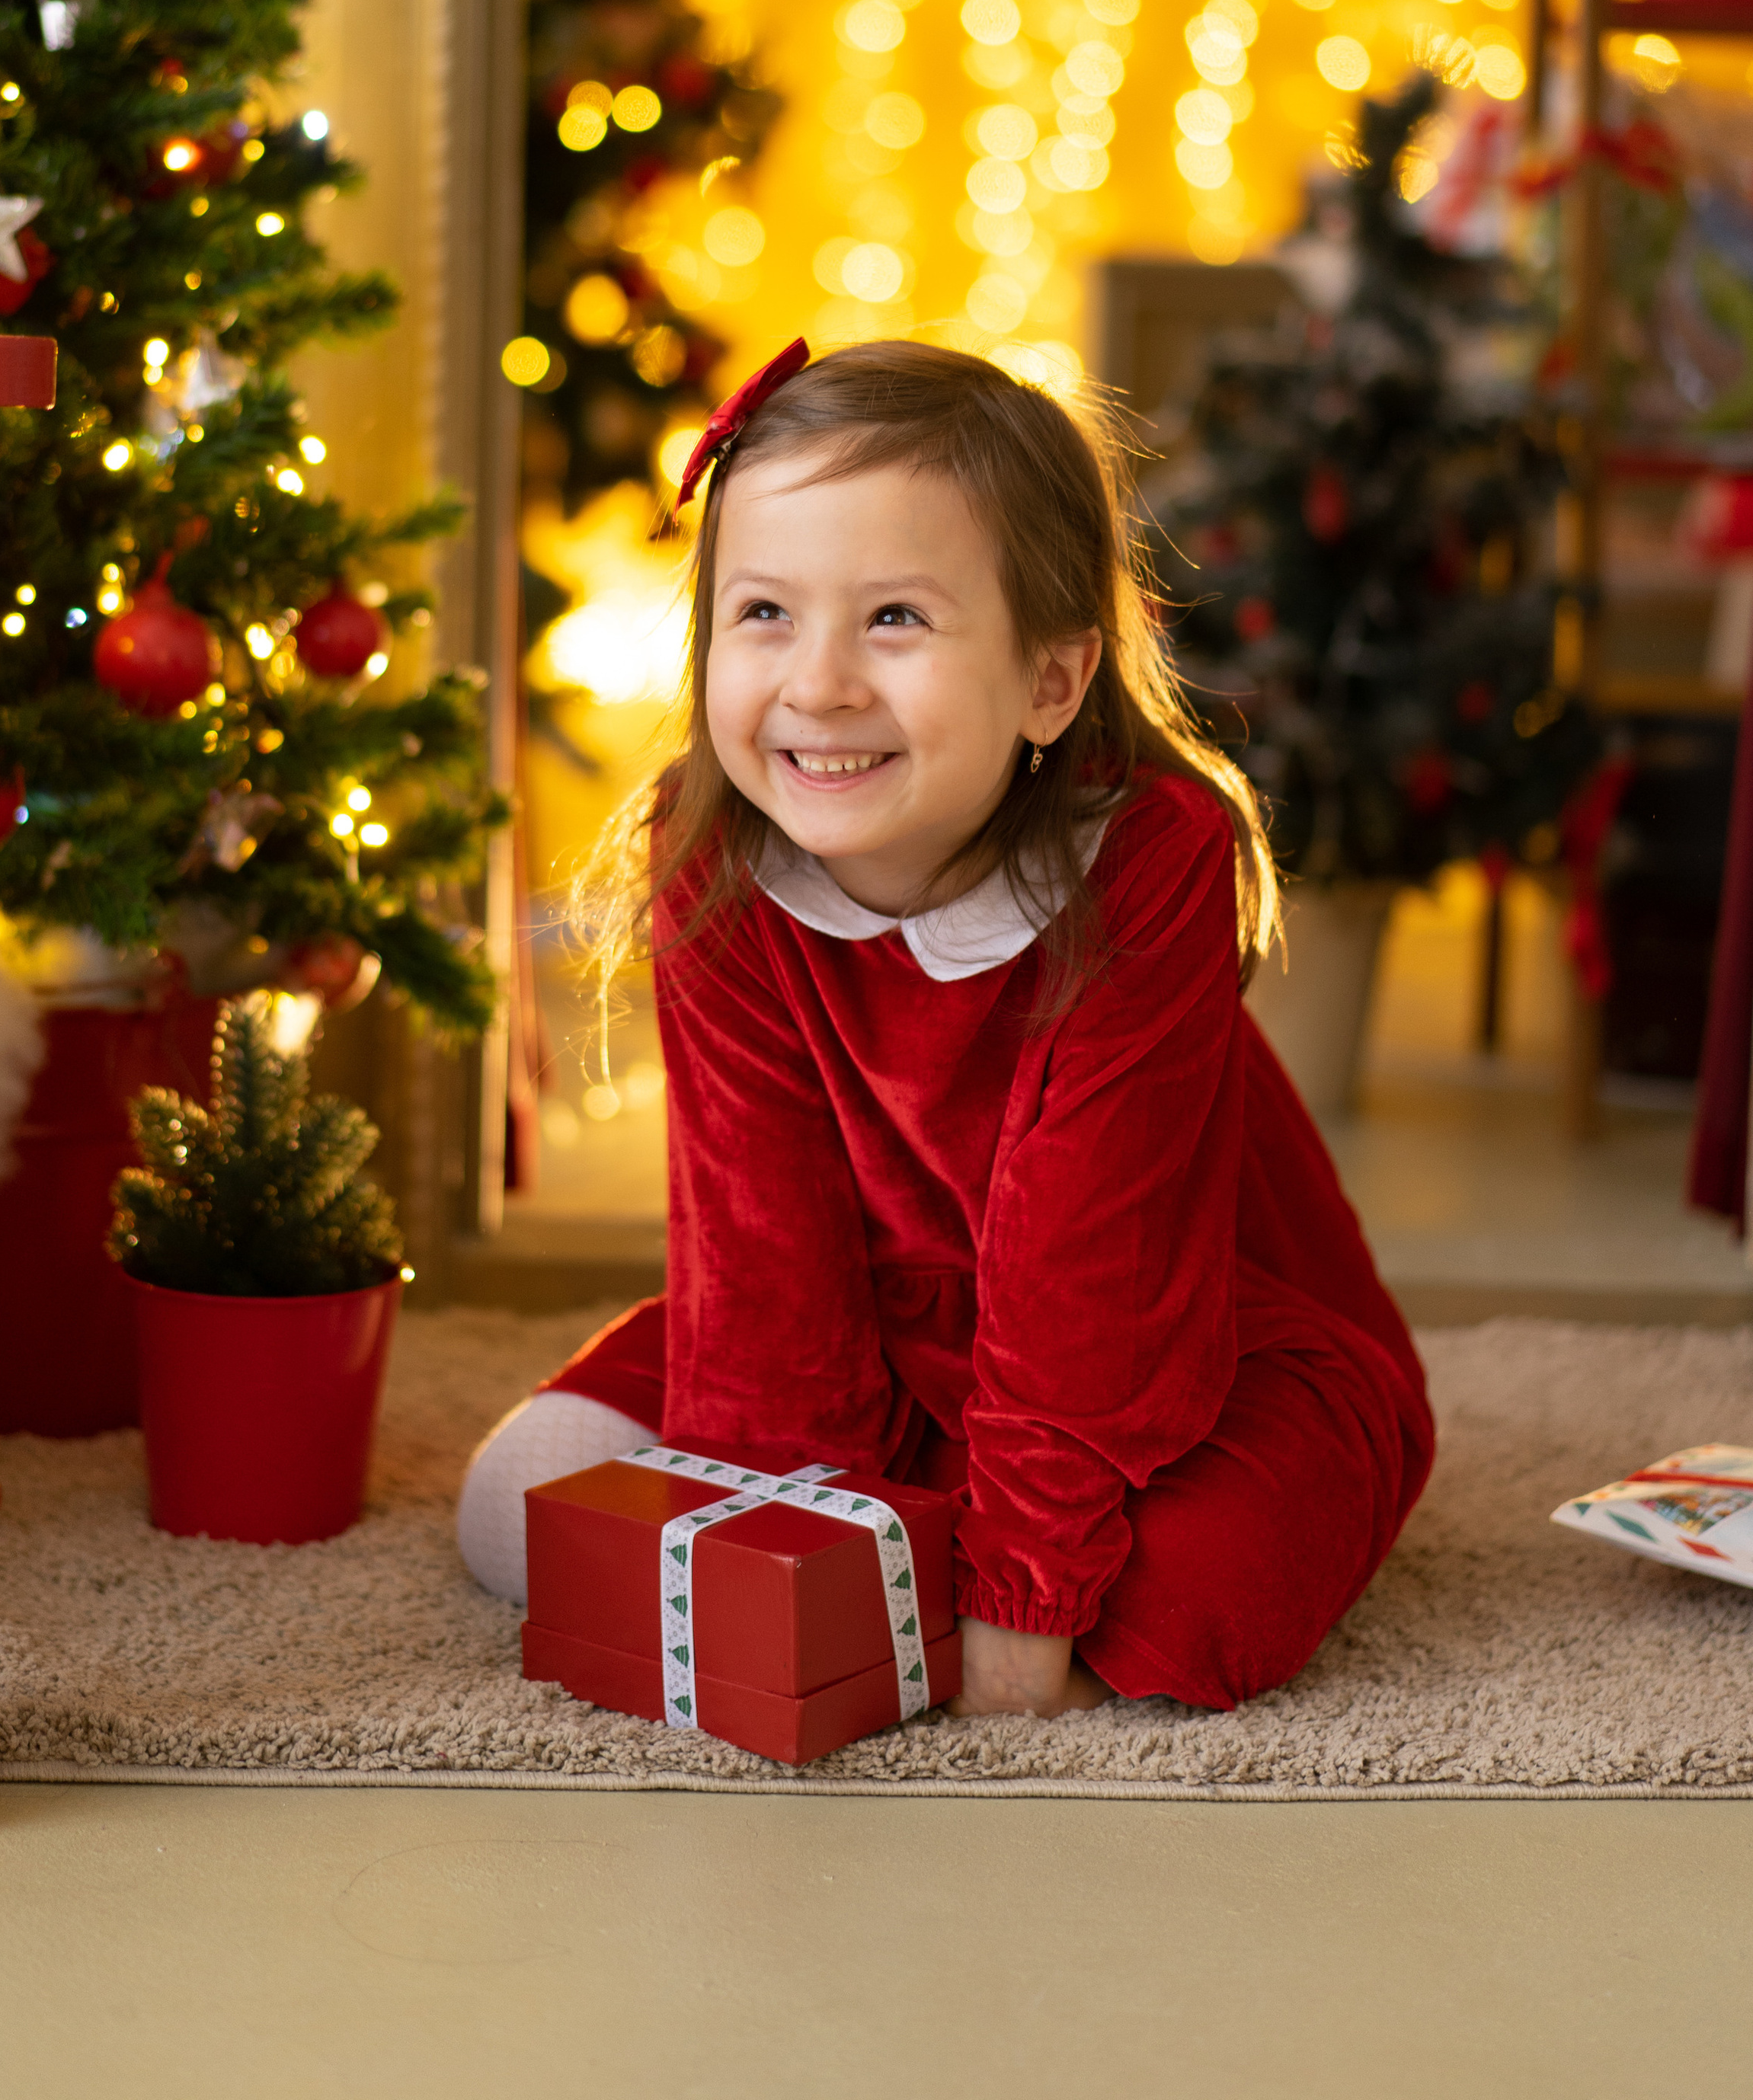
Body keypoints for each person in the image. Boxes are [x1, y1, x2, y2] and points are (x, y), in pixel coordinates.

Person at [458, 338, 1433, 1718]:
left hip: (1169, 1337)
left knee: (1210, 1592)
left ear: (1051, 681)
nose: (820, 686)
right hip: (862, 1315)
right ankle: (919, 1541)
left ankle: (982, 1555)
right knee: (515, 1498)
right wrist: (789, 1554)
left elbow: (1095, 1275)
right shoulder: (712, 849)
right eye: (764, 612)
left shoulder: (1149, 861)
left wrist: (1022, 1605)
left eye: (896, 620)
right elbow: (760, 1245)